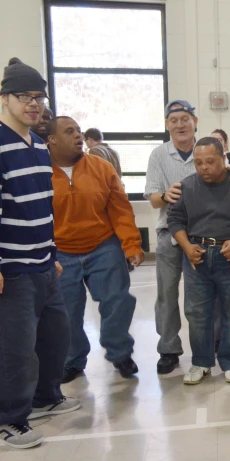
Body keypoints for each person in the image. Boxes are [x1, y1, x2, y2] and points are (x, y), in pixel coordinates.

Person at [0, 58, 80, 449]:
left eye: (39, 97)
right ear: (5, 98)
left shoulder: (36, 144)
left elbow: (41, 207)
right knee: (16, 349)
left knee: (55, 335)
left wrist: (51, 253)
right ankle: (9, 420)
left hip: (44, 263)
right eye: (24, 96)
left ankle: (46, 397)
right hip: (12, 269)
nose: (34, 104)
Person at [144, 100, 230, 375]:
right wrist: (166, 196)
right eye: (173, 120)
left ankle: (212, 346)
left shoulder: (210, 149)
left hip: (207, 238)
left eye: (184, 119)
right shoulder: (158, 155)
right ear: (167, 125)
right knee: (167, 294)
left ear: (195, 121)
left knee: (210, 297)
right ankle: (168, 348)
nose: (179, 125)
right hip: (171, 233)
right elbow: (154, 199)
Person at [48, 116, 144, 383]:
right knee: (66, 311)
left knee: (118, 301)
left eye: (79, 130)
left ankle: (120, 353)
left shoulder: (101, 168)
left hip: (103, 245)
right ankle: (73, 359)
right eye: (70, 132)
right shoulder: (40, 171)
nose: (78, 136)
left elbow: (120, 209)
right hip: (61, 252)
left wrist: (131, 245)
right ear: (51, 139)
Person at [168, 137, 230, 385]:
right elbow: (175, 220)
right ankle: (201, 362)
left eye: (210, 162)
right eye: (198, 162)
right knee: (197, 312)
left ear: (224, 159)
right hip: (197, 257)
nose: (204, 168)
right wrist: (187, 246)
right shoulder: (187, 187)